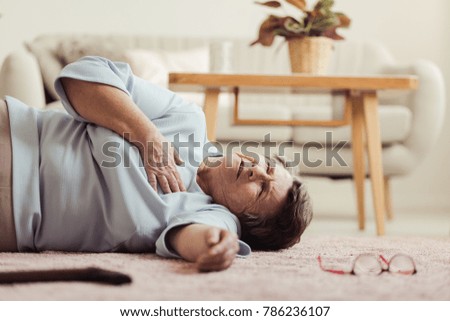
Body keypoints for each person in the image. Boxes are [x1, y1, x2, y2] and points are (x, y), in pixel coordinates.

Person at [0, 56, 312, 272]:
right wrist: (147, 136)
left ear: (245, 221)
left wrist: (214, 247)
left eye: (261, 189)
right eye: (268, 167)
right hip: (14, 136)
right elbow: (82, 76)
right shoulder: (188, 120)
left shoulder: (212, 215)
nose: (257, 171)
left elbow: (198, 237)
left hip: (13, 220)